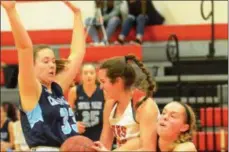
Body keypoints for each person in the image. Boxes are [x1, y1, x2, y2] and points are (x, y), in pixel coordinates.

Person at [1, 1, 85, 151]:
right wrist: (11, 11)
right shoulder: (32, 90)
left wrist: (78, 15)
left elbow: (77, 54)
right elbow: (25, 48)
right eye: (45, 61)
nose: (52, 65)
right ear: (31, 67)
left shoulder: (56, 88)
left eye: (53, 61)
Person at [92, 55, 159, 151]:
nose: (101, 87)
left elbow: (148, 149)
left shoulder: (144, 105)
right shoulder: (110, 104)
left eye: (103, 82)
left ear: (118, 81)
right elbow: (104, 144)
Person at [68, 64, 106, 141]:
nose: (89, 76)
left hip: (99, 133)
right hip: (81, 133)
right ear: (81, 76)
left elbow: (109, 114)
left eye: (91, 73)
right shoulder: (74, 91)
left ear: (96, 75)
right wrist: (74, 124)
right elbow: (68, 113)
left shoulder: (103, 91)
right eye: (85, 73)